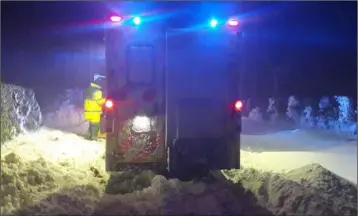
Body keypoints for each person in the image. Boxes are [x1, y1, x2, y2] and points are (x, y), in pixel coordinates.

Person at [84, 74, 106, 140]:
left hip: (88, 111)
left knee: (91, 125)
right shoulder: (97, 91)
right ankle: (94, 138)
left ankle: (88, 135)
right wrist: (105, 99)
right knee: (95, 125)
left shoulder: (88, 89)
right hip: (94, 111)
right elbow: (99, 101)